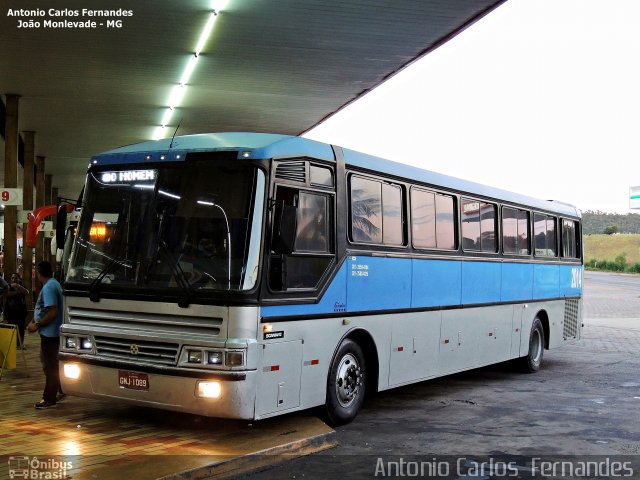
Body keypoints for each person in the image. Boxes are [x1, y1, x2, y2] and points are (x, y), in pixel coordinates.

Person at [27, 261, 64, 409]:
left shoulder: (49, 287)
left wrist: (37, 324)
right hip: (51, 332)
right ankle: (60, 388)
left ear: (39, 273)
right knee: (47, 361)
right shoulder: (54, 284)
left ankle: (49, 397)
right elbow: (42, 308)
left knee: (50, 365)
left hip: (50, 333)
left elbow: (52, 312)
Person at [4, 273, 29, 347]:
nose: (14, 279)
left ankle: (20, 344)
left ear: (19, 279)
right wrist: (18, 292)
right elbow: (6, 294)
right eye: (12, 278)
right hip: (10, 311)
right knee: (12, 328)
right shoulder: (8, 286)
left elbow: (27, 292)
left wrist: (18, 287)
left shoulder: (21, 286)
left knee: (21, 328)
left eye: (15, 278)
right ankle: (13, 344)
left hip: (21, 311)